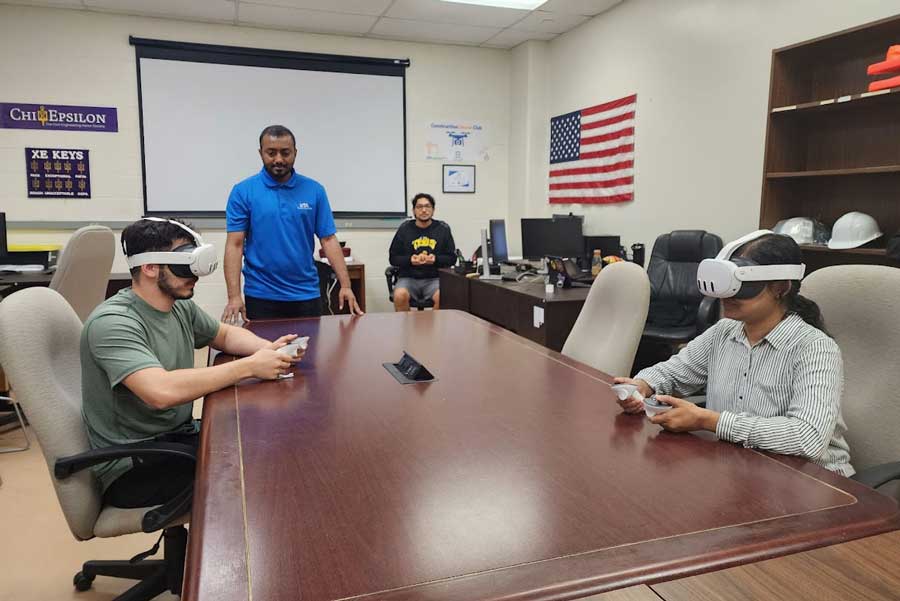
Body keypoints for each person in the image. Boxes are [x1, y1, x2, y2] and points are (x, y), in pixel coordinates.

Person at [81, 218, 304, 509]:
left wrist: (272, 352)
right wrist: (249, 367)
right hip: (133, 465)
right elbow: (159, 392)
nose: (195, 275)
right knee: (261, 479)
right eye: (184, 264)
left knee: (270, 446)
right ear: (149, 268)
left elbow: (222, 334)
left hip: (176, 440)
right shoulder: (113, 323)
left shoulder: (178, 305)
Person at [614, 231, 853, 477]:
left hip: (811, 480)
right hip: (742, 470)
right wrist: (643, 386)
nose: (727, 295)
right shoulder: (724, 332)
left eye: (742, 285)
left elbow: (808, 437)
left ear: (781, 287)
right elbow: (672, 372)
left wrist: (710, 421)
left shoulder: (814, 348)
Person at [223, 124, 363, 322]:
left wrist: (346, 286)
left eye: (285, 152)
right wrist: (234, 296)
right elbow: (234, 245)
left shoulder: (314, 190)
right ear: (260, 153)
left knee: (310, 352)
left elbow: (329, 240)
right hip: (261, 295)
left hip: (306, 294)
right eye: (271, 153)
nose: (279, 159)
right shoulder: (243, 191)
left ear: (295, 153)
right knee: (266, 353)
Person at [388, 193, 456, 311]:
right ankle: (408, 329)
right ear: (414, 210)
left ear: (433, 210)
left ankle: (433, 329)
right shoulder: (405, 229)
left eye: (427, 206)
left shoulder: (443, 229)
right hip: (408, 278)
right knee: (399, 296)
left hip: (435, 278)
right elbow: (393, 258)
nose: (424, 210)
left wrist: (435, 259)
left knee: (444, 297)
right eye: (419, 207)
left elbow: (452, 258)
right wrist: (410, 260)